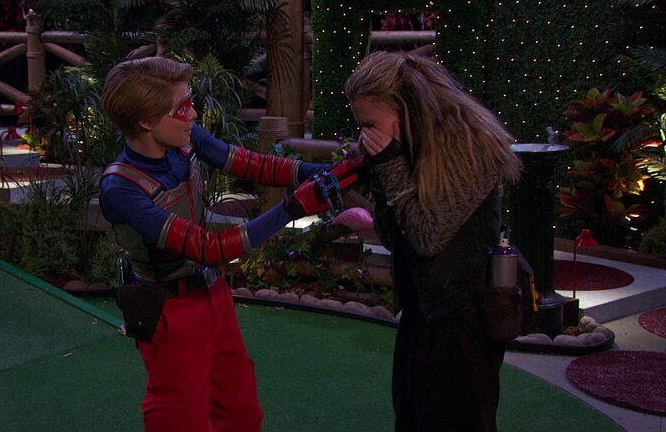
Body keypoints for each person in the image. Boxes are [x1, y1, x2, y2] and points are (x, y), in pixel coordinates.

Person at [99, 56, 363, 432]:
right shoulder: (121, 188)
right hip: (169, 311)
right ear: (145, 121)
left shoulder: (185, 142)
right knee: (181, 420)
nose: (193, 115)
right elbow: (206, 247)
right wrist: (293, 208)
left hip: (212, 296)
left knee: (242, 413)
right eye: (182, 108)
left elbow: (254, 165)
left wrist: (327, 171)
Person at [344, 51, 522, 431]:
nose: (365, 136)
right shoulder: (408, 146)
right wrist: (381, 172)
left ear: (405, 106)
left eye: (370, 124)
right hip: (422, 313)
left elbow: (428, 238)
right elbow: (393, 238)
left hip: (462, 319)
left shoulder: (471, 146)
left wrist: (390, 164)